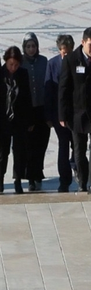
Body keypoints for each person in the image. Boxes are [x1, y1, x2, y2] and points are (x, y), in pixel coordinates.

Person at [59, 27, 91, 194]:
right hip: (77, 114)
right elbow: (64, 88)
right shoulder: (71, 60)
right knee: (79, 152)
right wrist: (62, 114)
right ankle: (83, 180)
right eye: (90, 45)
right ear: (82, 43)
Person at [44, 35, 76, 192]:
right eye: (62, 52)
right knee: (63, 145)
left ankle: (81, 175)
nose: (65, 56)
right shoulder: (52, 64)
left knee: (78, 145)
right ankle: (64, 180)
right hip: (59, 115)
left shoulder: (78, 61)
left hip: (76, 114)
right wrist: (49, 117)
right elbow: (48, 91)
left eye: (68, 52)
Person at [0, 47, 34, 194]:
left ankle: (18, 180)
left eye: (16, 65)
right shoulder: (0, 74)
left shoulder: (23, 74)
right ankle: (0, 180)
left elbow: (27, 97)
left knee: (19, 152)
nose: (13, 68)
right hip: (2, 121)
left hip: (19, 120)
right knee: (2, 152)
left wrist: (30, 120)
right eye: (10, 64)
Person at [21, 32, 49, 191]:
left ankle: (38, 171)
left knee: (42, 143)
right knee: (29, 145)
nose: (31, 49)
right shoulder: (21, 62)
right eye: (28, 46)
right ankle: (30, 176)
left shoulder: (43, 61)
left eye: (33, 46)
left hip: (42, 109)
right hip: (28, 110)